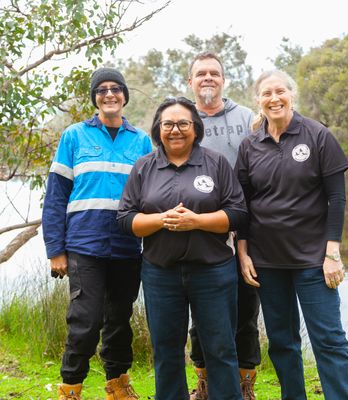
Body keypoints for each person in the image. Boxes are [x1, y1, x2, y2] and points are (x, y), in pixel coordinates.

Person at [235, 69, 348, 400]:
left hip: (313, 261)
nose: (274, 98)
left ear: (292, 95)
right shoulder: (250, 146)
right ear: (258, 101)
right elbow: (243, 204)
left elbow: (337, 198)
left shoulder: (318, 136)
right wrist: (243, 252)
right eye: (266, 93)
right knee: (281, 341)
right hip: (267, 261)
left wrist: (332, 253)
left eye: (280, 92)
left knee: (329, 338)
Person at [117, 96, 248, 400]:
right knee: (166, 350)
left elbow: (238, 214)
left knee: (221, 348)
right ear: (158, 129)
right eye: (168, 124)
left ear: (195, 128)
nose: (175, 130)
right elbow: (125, 219)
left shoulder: (215, 163)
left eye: (183, 123)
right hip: (160, 274)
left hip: (213, 273)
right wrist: (161, 220)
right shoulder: (144, 167)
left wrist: (197, 221)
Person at [42, 67, 152, 400]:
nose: (109, 95)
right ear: (95, 97)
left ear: (124, 95)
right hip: (83, 247)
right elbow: (56, 196)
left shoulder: (142, 141)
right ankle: (70, 388)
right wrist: (55, 250)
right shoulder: (74, 136)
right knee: (85, 322)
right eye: (101, 90)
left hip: (127, 247)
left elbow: (150, 197)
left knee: (119, 322)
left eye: (115, 89)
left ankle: (118, 386)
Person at [187, 51, 261, 400]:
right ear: (191, 81)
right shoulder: (183, 120)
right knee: (200, 314)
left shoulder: (247, 118)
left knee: (246, 309)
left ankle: (245, 384)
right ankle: (204, 382)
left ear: (223, 80)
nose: (208, 79)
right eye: (201, 73)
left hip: (245, 232)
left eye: (214, 73)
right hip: (198, 233)